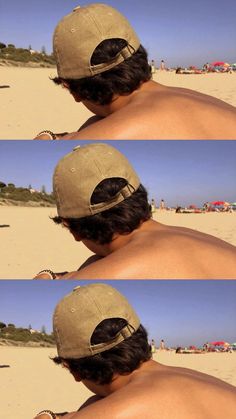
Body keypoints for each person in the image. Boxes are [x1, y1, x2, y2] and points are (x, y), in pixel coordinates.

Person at [34, 3, 236, 140]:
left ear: (73, 90)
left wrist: (47, 136)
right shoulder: (188, 98)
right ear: (138, 54)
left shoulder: (115, 133)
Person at [34, 143, 236, 280]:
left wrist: (47, 274)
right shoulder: (191, 236)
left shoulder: (113, 272)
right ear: (139, 194)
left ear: (73, 229)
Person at [33, 283, 236, 419]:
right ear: (140, 336)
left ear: (74, 370)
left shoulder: (122, 410)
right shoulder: (191, 378)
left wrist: (47, 414)